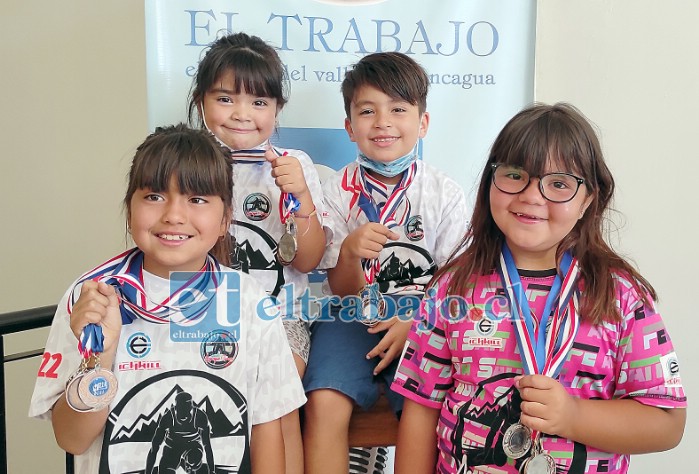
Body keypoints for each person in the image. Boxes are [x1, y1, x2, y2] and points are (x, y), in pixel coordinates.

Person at [392, 103, 687, 473]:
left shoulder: (621, 297)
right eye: (515, 175)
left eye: (558, 184)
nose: (532, 195)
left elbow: (667, 423)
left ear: (588, 200)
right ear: (490, 182)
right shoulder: (452, 289)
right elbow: (421, 407)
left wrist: (573, 416)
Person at [29, 124, 305, 473]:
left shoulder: (249, 301)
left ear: (225, 219)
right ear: (129, 209)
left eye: (197, 199)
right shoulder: (92, 297)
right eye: (154, 196)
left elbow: (267, 428)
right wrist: (101, 358)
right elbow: (71, 440)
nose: (174, 215)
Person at [302, 52, 469, 473]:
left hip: (424, 319)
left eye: (398, 109)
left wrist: (416, 320)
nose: (383, 122)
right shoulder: (335, 192)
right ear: (349, 127)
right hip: (349, 315)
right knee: (324, 401)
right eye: (367, 111)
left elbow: (456, 280)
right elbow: (341, 291)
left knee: (420, 404)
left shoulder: (442, 193)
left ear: (423, 123)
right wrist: (350, 253)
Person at [187, 32, 329, 474]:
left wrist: (301, 195)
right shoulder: (187, 162)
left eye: (259, 102)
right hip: (202, 312)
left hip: (280, 316)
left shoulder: (293, 164)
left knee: (278, 388)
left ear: (277, 110)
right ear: (201, 101)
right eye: (226, 98)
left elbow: (307, 260)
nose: (243, 114)